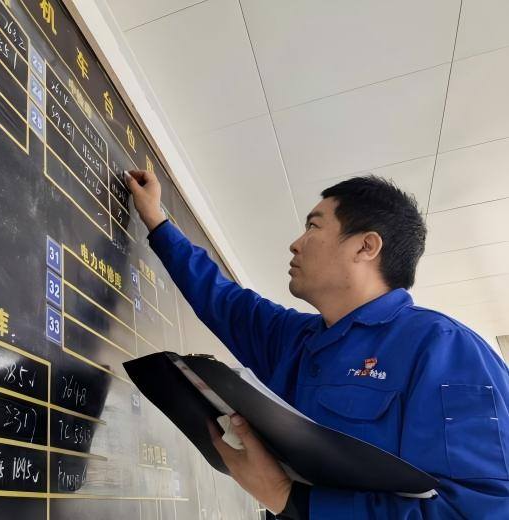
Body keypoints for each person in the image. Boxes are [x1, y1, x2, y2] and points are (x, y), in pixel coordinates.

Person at [125, 169, 509, 519]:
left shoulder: (446, 349)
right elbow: (220, 298)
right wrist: (157, 220)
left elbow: (481, 509)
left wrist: (290, 500)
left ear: (366, 247)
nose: (296, 244)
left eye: (313, 225)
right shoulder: (295, 340)